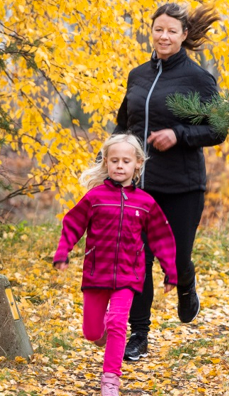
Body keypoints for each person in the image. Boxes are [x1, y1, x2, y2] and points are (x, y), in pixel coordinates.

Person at [112, 2, 225, 362]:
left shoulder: (198, 79)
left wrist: (179, 134)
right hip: (139, 187)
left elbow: (218, 129)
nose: (163, 36)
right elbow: (124, 123)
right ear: (153, 30)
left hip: (182, 186)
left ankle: (186, 286)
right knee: (137, 261)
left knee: (174, 258)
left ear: (183, 35)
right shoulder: (138, 75)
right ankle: (139, 335)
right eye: (158, 29)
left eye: (171, 31)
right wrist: (112, 155)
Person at [53, 134, 178, 396]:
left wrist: (171, 271)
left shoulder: (145, 203)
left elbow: (161, 236)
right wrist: (63, 251)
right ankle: (104, 331)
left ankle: (111, 379)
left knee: (120, 323)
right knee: (92, 332)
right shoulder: (95, 197)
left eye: (126, 161)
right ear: (107, 164)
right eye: (114, 161)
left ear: (137, 165)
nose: (120, 166)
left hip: (129, 275)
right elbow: (73, 224)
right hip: (96, 273)